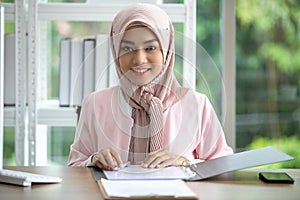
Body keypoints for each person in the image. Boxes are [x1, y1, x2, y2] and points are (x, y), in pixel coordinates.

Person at [68, 3, 233, 170]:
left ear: (167, 50)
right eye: (127, 48)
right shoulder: (95, 104)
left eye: (150, 48)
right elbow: (74, 167)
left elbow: (224, 167)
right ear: (116, 51)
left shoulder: (198, 105)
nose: (139, 59)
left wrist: (185, 163)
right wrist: (93, 160)